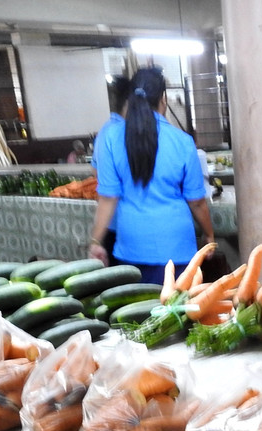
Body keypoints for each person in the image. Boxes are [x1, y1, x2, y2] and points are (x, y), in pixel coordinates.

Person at [87, 67, 214, 284]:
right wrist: (209, 235)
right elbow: (197, 202)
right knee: (179, 305)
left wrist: (96, 241)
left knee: (137, 306)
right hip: (177, 249)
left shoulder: (111, 138)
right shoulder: (182, 141)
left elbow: (108, 198)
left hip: (130, 248)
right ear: (163, 99)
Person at [91, 76, 132, 258]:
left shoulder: (106, 131)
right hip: (123, 224)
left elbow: (96, 172)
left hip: (113, 222)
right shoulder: (126, 132)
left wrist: (95, 241)